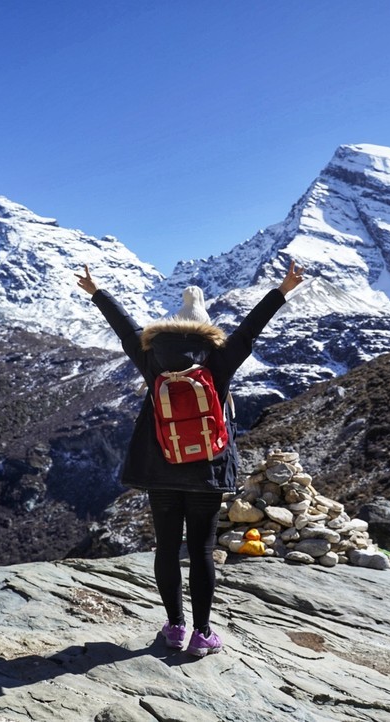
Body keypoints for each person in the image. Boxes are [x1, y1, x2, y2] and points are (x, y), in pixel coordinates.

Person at [74, 259, 305, 657]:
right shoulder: (218, 359)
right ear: (206, 329)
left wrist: (98, 293)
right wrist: (282, 291)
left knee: (166, 549)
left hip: (161, 468)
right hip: (207, 471)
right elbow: (250, 331)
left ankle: (175, 628)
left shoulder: (151, 356)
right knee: (200, 550)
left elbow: (125, 328)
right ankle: (202, 634)